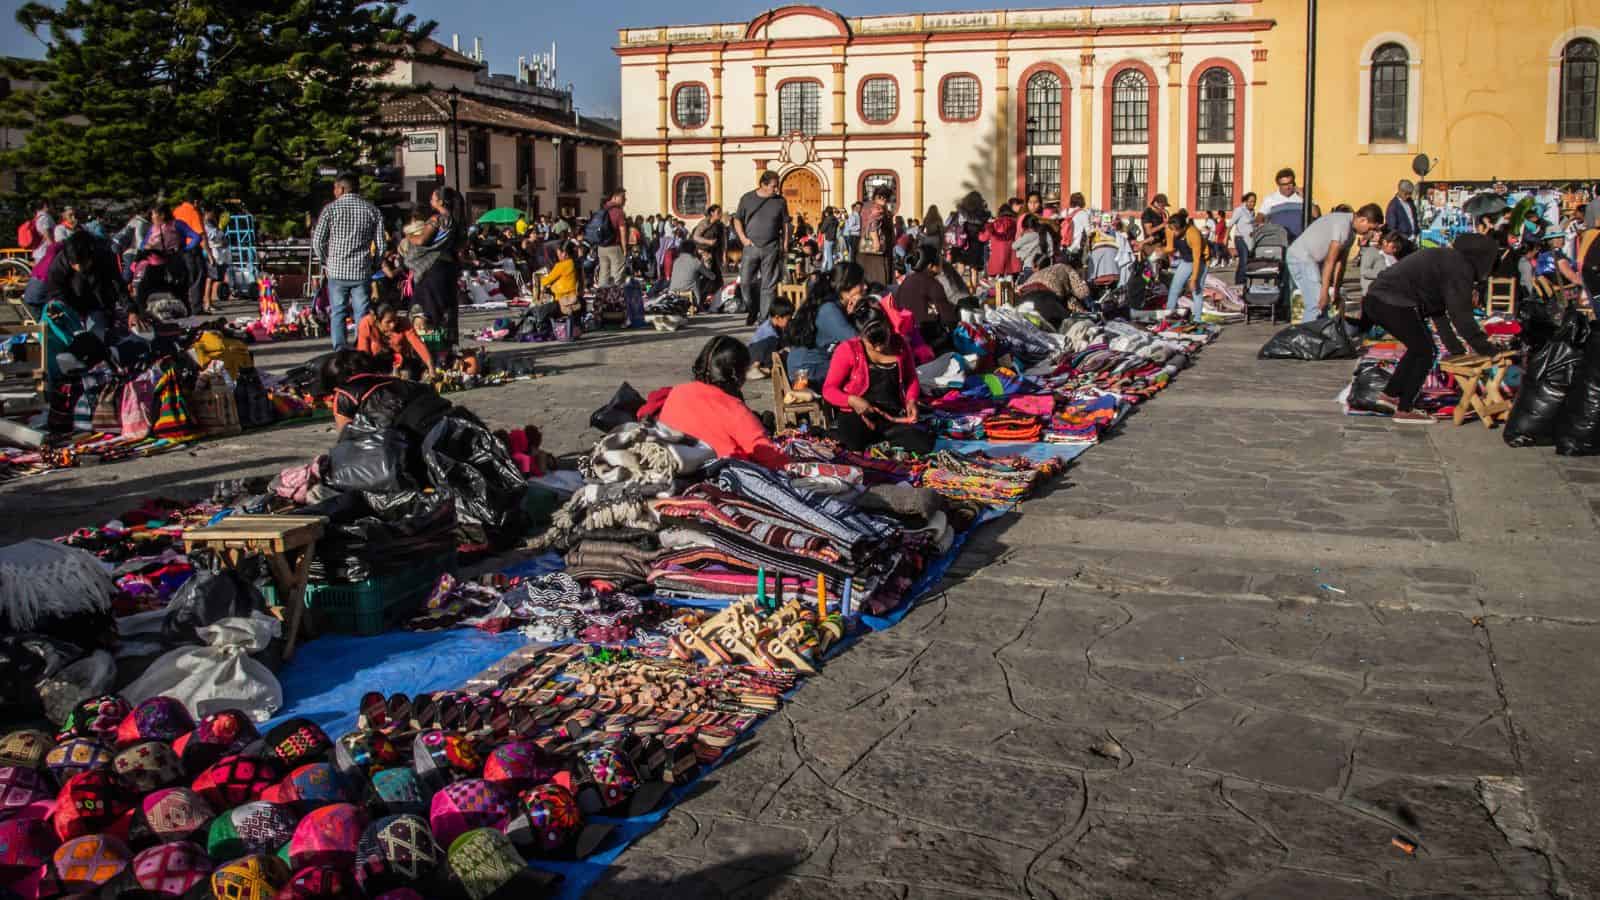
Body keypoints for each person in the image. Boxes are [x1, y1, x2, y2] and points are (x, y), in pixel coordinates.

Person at [1358, 234, 1498, 424]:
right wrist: (1488, 350)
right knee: (1425, 351)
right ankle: (1405, 409)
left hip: (1377, 299)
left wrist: (1456, 350)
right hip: (1392, 301)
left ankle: (1391, 395)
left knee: (1419, 348)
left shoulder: (1446, 259)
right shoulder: (1460, 266)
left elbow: (1438, 313)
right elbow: (1461, 317)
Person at [659, 336, 791, 469]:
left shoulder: (677, 392)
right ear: (737, 375)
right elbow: (770, 456)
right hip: (722, 473)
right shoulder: (733, 408)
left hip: (674, 469)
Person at [823, 308, 932, 454]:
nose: (879, 347)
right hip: (859, 416)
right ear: (861, 336)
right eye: (873, 343)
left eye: (883, 340)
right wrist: (852, 400)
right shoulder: (847, 350)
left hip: (891, 417)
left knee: (923, 444)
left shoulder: (900, 345)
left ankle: (881, 442)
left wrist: (911, 400)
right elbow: (829, 389)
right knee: (853, 442)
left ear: (888, 328)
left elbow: (911, 378)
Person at [312, 173, 384, 349]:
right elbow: (381, 244)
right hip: (361, 270)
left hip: (336, 271)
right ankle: (362, 347)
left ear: (342, 188)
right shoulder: (372, 210)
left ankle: (340, 350)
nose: (334, 192)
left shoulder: (330, 209)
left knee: (338, 312)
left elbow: (317, 241)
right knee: (362, 313)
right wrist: (374, 263)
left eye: (335, 188)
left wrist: (325, 261)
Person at [1287, 202, 1383, 322]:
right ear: (1363, 220)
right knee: (1317, 303)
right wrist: (1323, 293)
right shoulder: (1343, 225)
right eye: (1371, 228)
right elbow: (1330, 262)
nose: (1371, 233)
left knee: (1324, 304)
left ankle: (1320, 335)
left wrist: (1336, 291)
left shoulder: (1351, 234)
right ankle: (1306, 338)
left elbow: (1340, 263)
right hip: (1301, 257)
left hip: (1311, 260)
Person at [404, 186, 467, 346]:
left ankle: (428, 349)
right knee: (445, 310)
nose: (430, 200)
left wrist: (409, 236)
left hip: (432, 269)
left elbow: (422, 241)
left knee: (425, 310)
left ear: (440, 201)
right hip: (449, 269)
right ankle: (445, 349)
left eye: (433, 197)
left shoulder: (437, 219)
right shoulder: (457, 222)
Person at [784, 262, 867, 383]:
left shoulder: (833, 304)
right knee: (862, 372)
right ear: (847, 286)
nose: (865, 287)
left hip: (811, 367)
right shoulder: (829, 310)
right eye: (861, 283)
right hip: (805, 374)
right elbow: (857, 342)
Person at [735, 170, 791, 326]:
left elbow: (785, 224)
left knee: (769, 286)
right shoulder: (747, 199)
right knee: (745, 282)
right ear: (763, 184)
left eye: (777, 186)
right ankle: (752, 308)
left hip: (771, 247)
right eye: (773, 186)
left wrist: (785, 243)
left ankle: (764, 318)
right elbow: (737, 220)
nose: (776, 189)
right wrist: (743, 239)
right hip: (751, 247)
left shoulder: (780, 201)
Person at [893, 246, 956, 347]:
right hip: (924, 339)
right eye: (939, 260)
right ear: (930, 266)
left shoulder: (907, 280)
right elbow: (948, 318)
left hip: (904, 336)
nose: (941, 263)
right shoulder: (932, 283)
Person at [356, 303, 435, 378]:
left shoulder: (404, 323)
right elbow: (363, 353)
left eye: (395, 319)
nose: (393, 324)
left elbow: (418, 344)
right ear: (377, 321)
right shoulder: (366, 324)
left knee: (408, 374)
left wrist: (431, 367)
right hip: (377, 362)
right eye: (388, 322)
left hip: (401, 361)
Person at [1165, 210, 1210, 320]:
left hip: (1200, 262)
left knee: (1196, 290)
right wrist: (1161, 251)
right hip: (1185, 261)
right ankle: (1167, 316)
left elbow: (1196, 258)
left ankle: (1197, 319)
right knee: (1174, 288)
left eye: (1176, 230)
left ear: (1184, 228)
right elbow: (1170, 248)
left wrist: (1193, 279)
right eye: (1172, 230)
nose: (1174, 233)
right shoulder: (1170, 230)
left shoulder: (1193, 233)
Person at [855, 186, 897, 287]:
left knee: (867, 276)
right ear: (876, 196)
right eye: (882, 197)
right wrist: (876, 241)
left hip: (865, 247)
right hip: (877, 251)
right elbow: (873, 223)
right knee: (878, 277)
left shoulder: (867, 206)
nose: (884, 200)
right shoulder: (877, 208)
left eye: (886, 198)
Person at [748, 295, 795, 376]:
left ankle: (766, 369)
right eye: (788, 319)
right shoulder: (768, 330)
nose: (790, 321)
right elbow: (770, 348)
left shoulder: (778, 327)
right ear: (777, 318)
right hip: (755, 356)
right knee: (776, 345)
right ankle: (754, 368)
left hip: (765, 355)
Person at [1260, 168, 1306, 239]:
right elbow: (1260, 216)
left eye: (1290, 183)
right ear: (1278, 185)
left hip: (1300, 240)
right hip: (1278, 241)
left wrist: (1304, 197)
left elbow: (1316, 214)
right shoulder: (1270, 199)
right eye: (1284, 184)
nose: (1288, 187)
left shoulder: (1302, 196)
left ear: (1294, 182)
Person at [669, 244, 717, 310]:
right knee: (707, 280)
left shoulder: (676, 261)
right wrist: (707, 263)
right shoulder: (695, 261)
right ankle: (700, 304)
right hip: (689, 291)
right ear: (693, 250)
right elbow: (712, 276)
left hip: (673, 290)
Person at [981, 200, 1021, 278]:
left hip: (997, 256)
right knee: (1011, 277)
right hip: (1011, 254)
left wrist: (978, 233)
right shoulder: (1016, 223)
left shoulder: (993, 224)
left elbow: (983, 238)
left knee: (999, 279)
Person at [1359, 230, 1405, 295]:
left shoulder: (1393, 256)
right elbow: (1365, 272)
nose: (1395, 250)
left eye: (1398, 249)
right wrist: (1385, 273)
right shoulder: (1371, 252)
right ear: (1385, 242)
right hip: (1374, 292)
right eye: (1394, 247)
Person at [540, 241, 580, 314]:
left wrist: (540, 278)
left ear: (565, 253)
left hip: (561, 297)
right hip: (574, 295)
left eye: (559, 253)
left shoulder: (561, 265)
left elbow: (546, 281)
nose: (558, 255)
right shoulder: (575, 262)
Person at [201, 210, 228, 314]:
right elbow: (210, 240)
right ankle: (207, 303)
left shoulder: (214, 227)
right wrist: (211, 256)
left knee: (212, 280)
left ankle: (209, 302)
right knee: (210, 279)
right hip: (213, 255)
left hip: (218, 255)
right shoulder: (207, 228)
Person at [1229, 193, 1258, 285]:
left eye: (1254, 202)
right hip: (1240, 238)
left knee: (1245, 261)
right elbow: (1230, 224)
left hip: (1249, 240)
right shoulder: (1239, 210)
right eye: (1250, 201)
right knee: (1244, 260)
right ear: (1245, 201)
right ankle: (1240, 283)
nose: (1252, 203)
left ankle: (1242, 282)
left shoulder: (1253, 212)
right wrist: (1225, 239)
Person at [691, 205, 725, 278]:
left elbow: (722, 241)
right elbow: (696, 236)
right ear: (712, 213)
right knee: (705, 273)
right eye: (718, 212)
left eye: (721, 212)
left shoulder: (719, 225)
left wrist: (724, 254)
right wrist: (708, 241)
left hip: (714, 252)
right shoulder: (705, 222)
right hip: (702, 251)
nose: (720, 214)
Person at [819, 207, 840, 272]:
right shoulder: (835, 219)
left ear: (827, 212)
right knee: (833, 255)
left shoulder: (827, 219)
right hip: (834, 239)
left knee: (829, 256)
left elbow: (822, 230)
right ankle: (833, 268)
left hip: (828, 239)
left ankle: (830, 270)